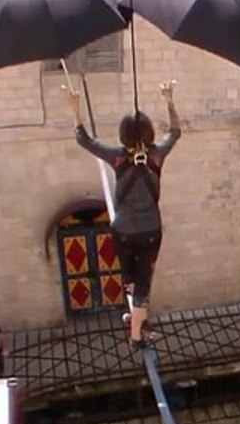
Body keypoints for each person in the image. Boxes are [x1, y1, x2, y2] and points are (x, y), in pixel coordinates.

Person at [69, 80, 182, 346]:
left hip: (122, 231)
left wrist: (75, 109)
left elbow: (83, 139)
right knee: (143, 283)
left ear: (123, 135)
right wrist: (169, 100)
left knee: (129, 275)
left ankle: (135, 316)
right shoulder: (156, 156)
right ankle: (136, 334)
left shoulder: (117, 157)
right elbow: (176, 132)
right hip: (150, 231)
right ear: (149, 133)